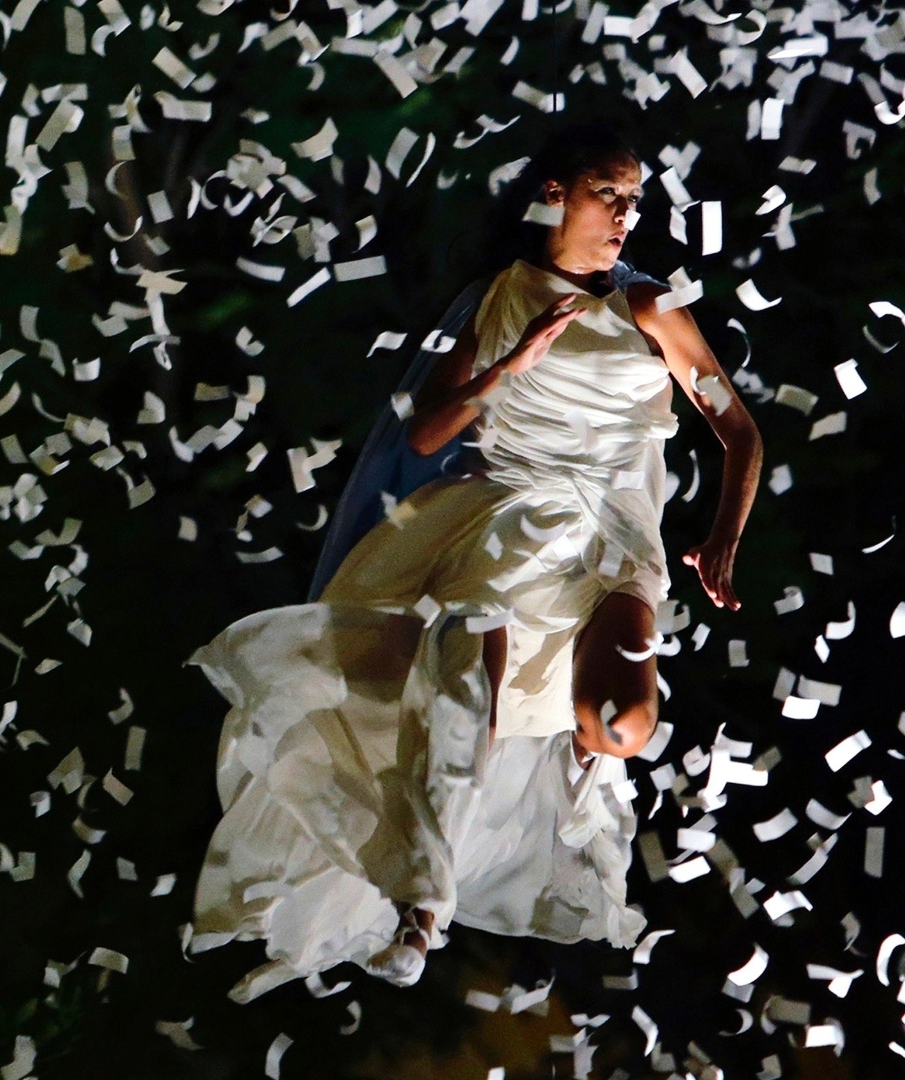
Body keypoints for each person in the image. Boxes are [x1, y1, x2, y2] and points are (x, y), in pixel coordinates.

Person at [186, 123, 763, 1002]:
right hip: (509, 513)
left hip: (611, 531)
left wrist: (722, 535)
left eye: (635, 199)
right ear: (557, 195)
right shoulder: (502, 297)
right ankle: (424, 898)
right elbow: (427, 431)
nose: (624, 213)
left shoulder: (649, 308)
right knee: (466, 686)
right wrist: (512, 362)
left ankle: (577, 795)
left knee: (622, 725)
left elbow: (739, 429)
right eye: (608, 192)